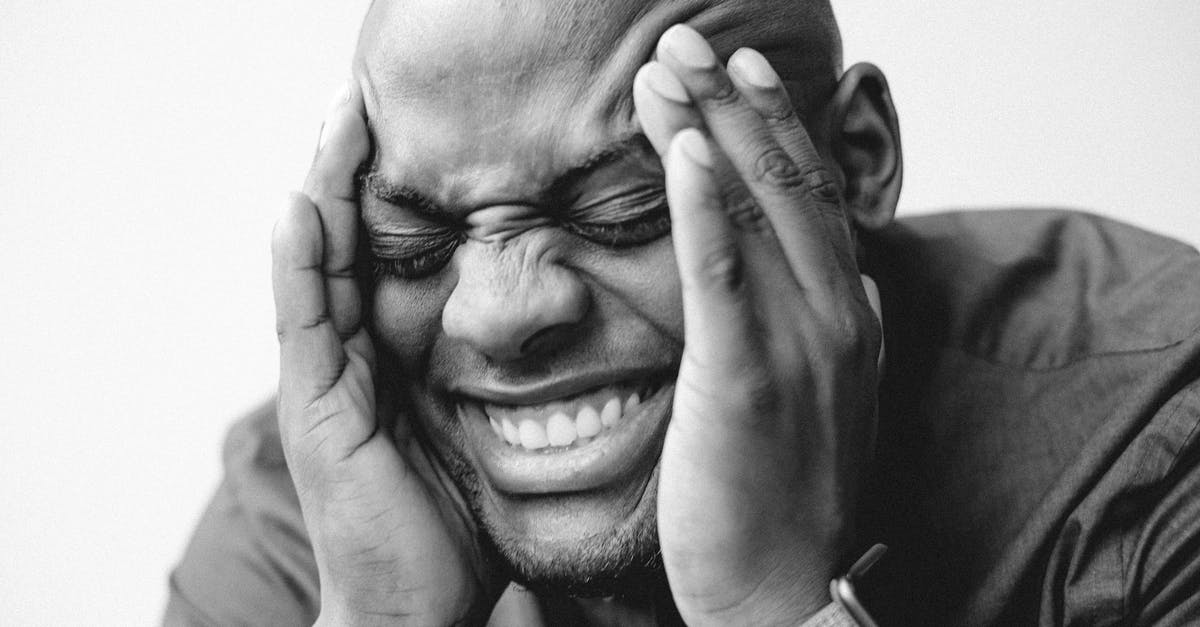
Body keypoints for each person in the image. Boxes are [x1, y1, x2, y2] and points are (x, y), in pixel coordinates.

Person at [165, 0, 1200, 624]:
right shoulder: (315, 508)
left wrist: (772, 608)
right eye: (415, 243)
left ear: (856, 163)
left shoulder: (1156, 443)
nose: (495, 312)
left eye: (626, 208)